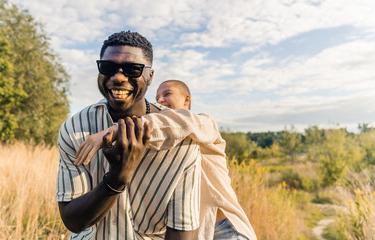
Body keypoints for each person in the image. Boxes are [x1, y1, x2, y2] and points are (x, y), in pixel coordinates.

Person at [56, 31, 202, 240]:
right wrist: (117, 177)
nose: (118, 77)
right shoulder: (76, 129)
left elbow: (182, 230)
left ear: (150, 76)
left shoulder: (183, 140)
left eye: (133, 69)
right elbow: (72, 221)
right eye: (108, 68)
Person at [76, 80, 257, 240]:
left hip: (224, 230)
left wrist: (111, 132)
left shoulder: (204, 124)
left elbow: (175, 123)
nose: (160, 100)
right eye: (157, 96)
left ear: (186, 100)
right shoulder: (162, 141)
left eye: (167, 94)